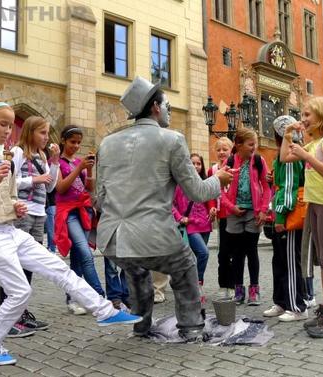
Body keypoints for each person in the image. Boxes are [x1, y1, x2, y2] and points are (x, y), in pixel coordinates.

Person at [0, 99, 142, 366]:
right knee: (19, 292)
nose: (8, 131)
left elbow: (9, 195)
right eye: (2, 124)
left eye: (10, 125)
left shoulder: (3, 155)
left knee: (59, 268)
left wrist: (15, 206)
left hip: (9, 230)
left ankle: (104, 310)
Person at [96, 76, 232, 341]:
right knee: (185, 265)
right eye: (166, 104)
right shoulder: (172, 139)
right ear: (155, 108)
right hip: (152, 235)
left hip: (112, 239)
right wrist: (219, 179)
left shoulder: (107, 143)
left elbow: (99, 198)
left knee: (136, 270)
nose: (168, 109)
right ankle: (191, 327)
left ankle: (141, 325)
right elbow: (197, 191)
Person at [280, 96, 323, 338]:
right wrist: (288, 134)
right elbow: (284, 158)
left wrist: (307, 157)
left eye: (308, 114)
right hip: (315, 205)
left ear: (321, 117)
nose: (304, 119)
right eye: (303, 114)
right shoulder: (315, 142)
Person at [0, 115, 61, 337]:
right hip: (22, 211)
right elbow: (8, 182)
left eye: (47, 133)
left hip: (39, 214)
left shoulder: (42, 156)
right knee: (14, 264)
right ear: (30, 132)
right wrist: (34, 180)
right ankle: (8, 317)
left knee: (28, 264)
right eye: (42, 133)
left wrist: (54, 162)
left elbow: (51, 186)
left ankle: (21, 313)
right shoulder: (17, 153)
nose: (46, 137)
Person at [54, 125, 105, 315]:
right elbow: (60, 188)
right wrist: (79, 168)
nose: (76, 146)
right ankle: (99, 297)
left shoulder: (78, 162)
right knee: (85, 253)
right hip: (68, 213)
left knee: (77, 260)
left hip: (84, 210)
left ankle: (72, 298)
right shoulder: (57, 163)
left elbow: (89, 188)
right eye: (72, 142)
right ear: (63, 141)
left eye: (78, 143)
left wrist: (89, 170)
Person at [263, 115, 308, 322]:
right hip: (283, 212)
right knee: (279, 260)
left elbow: (289, 189)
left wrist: (280, 215)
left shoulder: (291, 152)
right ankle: (281, 301)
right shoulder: (284, 153)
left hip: (288, 215)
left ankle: (296, 306)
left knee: (290, 261)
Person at [222, 128, 271, 305]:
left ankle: (254, 290)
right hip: (234, 213)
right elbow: (220, 189)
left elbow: (266, 187)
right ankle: (238, 290)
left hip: (253, 213)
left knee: (252, 251)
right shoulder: (229, 162)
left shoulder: (258, 161)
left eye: (255, 144)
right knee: (237, 253)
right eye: (251, 144)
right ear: (239, 145)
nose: (254, 148)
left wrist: (264, 210)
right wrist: (231, 207)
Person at [172, 153, 215, 304]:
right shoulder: (179, 183)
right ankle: (197, 286)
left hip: (205, 224)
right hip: (189, 225)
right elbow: (170, 204)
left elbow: (210, 200)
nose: (196, 166)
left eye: (199, 164)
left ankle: (191, 287)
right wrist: (179, 217)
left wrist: (212, 209)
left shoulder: (204, 182)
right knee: (203, 253)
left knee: (197, 257)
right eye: (193, 163)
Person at [207, 137, 234, 299]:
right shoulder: (213, 170)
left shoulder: (236, 167)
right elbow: (210, 192)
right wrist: (211, 206)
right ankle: (223, 285)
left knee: (236, 253)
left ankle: (235, 285)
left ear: (231, 151)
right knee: (223, 252)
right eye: (219, 150)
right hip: (222, 216)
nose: (222, 152)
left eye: (225, 149)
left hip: (235, 214)